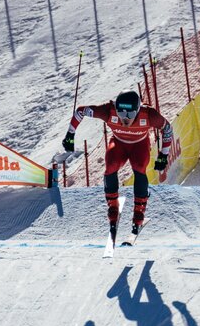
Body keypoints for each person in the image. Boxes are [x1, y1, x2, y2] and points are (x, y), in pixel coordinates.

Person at [62, 89, 173, 236]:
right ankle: (113, 206)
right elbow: (80, 111)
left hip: (139, 145)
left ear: (138, 110)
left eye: (130, 114)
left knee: (139, 167)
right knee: (111, 165)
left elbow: (167, 129)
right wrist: (70, 134)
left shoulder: (149, 114)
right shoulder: (108, 111)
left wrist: (164, 155)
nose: (125, 118)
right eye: (121, 113)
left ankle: (139, 209)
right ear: (116, 109)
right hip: (119, 144)